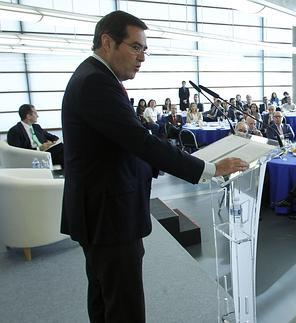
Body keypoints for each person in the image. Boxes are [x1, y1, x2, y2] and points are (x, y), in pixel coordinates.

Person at [59, 11, 248, 322]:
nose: (142, 58)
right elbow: (139, 141)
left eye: (145, 49)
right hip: (108, 215)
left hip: (100, 210)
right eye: (136, 47)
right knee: (124, 304)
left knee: (105, 296)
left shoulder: (97, 77)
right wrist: (208, 169)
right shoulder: (95, 82)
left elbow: (122, 143)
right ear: (107, 42)